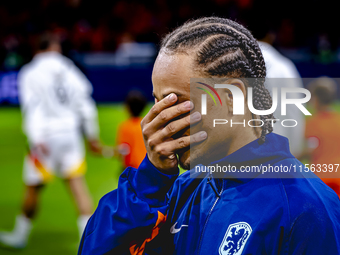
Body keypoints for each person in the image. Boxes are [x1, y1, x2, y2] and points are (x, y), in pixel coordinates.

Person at [78, 17, 340, 255]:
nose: (158, 123)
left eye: (175, 102)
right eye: (157, 102)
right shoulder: (181, 190)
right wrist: (151, 178)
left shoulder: (308, 209)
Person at [0, 34, 102, 249]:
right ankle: (89, 241)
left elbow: (32, 107)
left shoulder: (30, 72)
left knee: (33, 187)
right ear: (53, 48)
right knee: (77, 186)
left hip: (45, 137)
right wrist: (92, 136)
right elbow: (85, 103)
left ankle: (20, 236)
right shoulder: (70, 68)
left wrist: (35, 138)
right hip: (70, 135)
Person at [258, 32, 305, 157]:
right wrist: (295, 149)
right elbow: (294, 112)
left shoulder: (229, 67)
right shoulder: (284, 66)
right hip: (279, 150)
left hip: (242, 154)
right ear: (271, 36)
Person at [300, 77, 340, 197]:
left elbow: (311, 149)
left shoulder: (313, 123)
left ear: (315, 99)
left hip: (322, 179)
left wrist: (289, 157)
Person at [116, 90, 147, 169]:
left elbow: (123, 150)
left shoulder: (125, 127)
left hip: (133, 169)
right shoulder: (147, 125)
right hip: (148, 167)